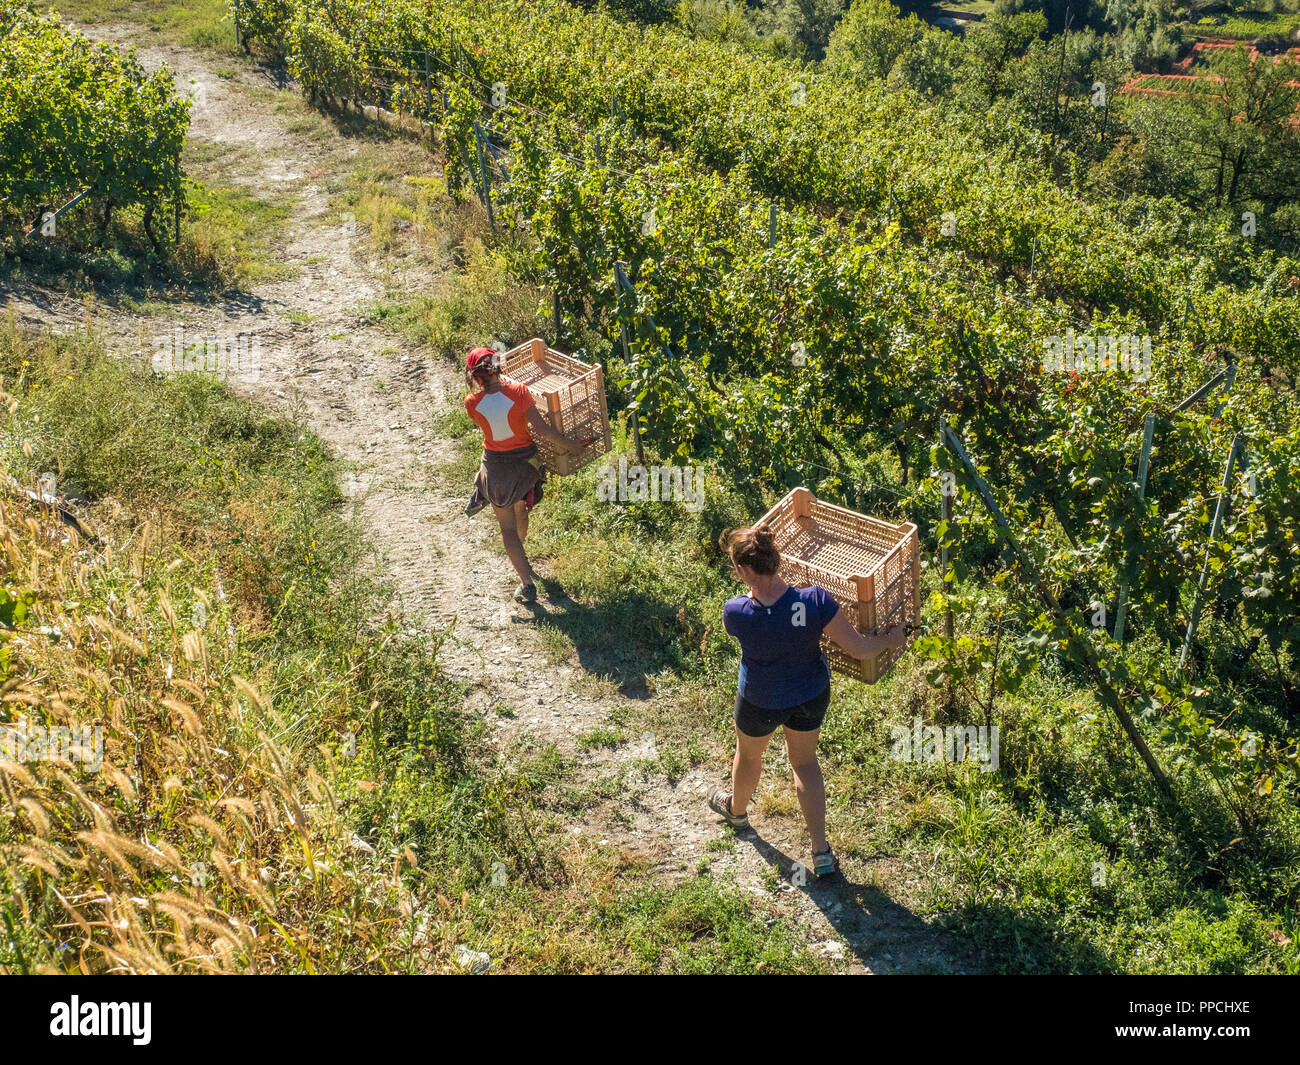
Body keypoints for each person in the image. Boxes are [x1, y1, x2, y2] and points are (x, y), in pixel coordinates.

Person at [709, 525, 909, 877]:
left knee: (749, 755)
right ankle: (821, 852)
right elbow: (860, 648)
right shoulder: (815, 601)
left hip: (759, 699)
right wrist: (892, 639)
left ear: (742, 570)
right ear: (778, 559)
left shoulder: (735, 611)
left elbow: (763, 616)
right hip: (809, 695)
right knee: (804, 763)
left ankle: (737, 812)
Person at [463, 346, 582, 602]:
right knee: (521, 511)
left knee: (506, 529)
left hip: (495, 469)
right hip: (524, 466)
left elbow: (492, 423)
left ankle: (526, 582)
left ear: (476, 376)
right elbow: (545, 431)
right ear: (497, 367)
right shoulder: (519, 393)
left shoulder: (471, 403)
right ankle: (522, 554)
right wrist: (572, 447)